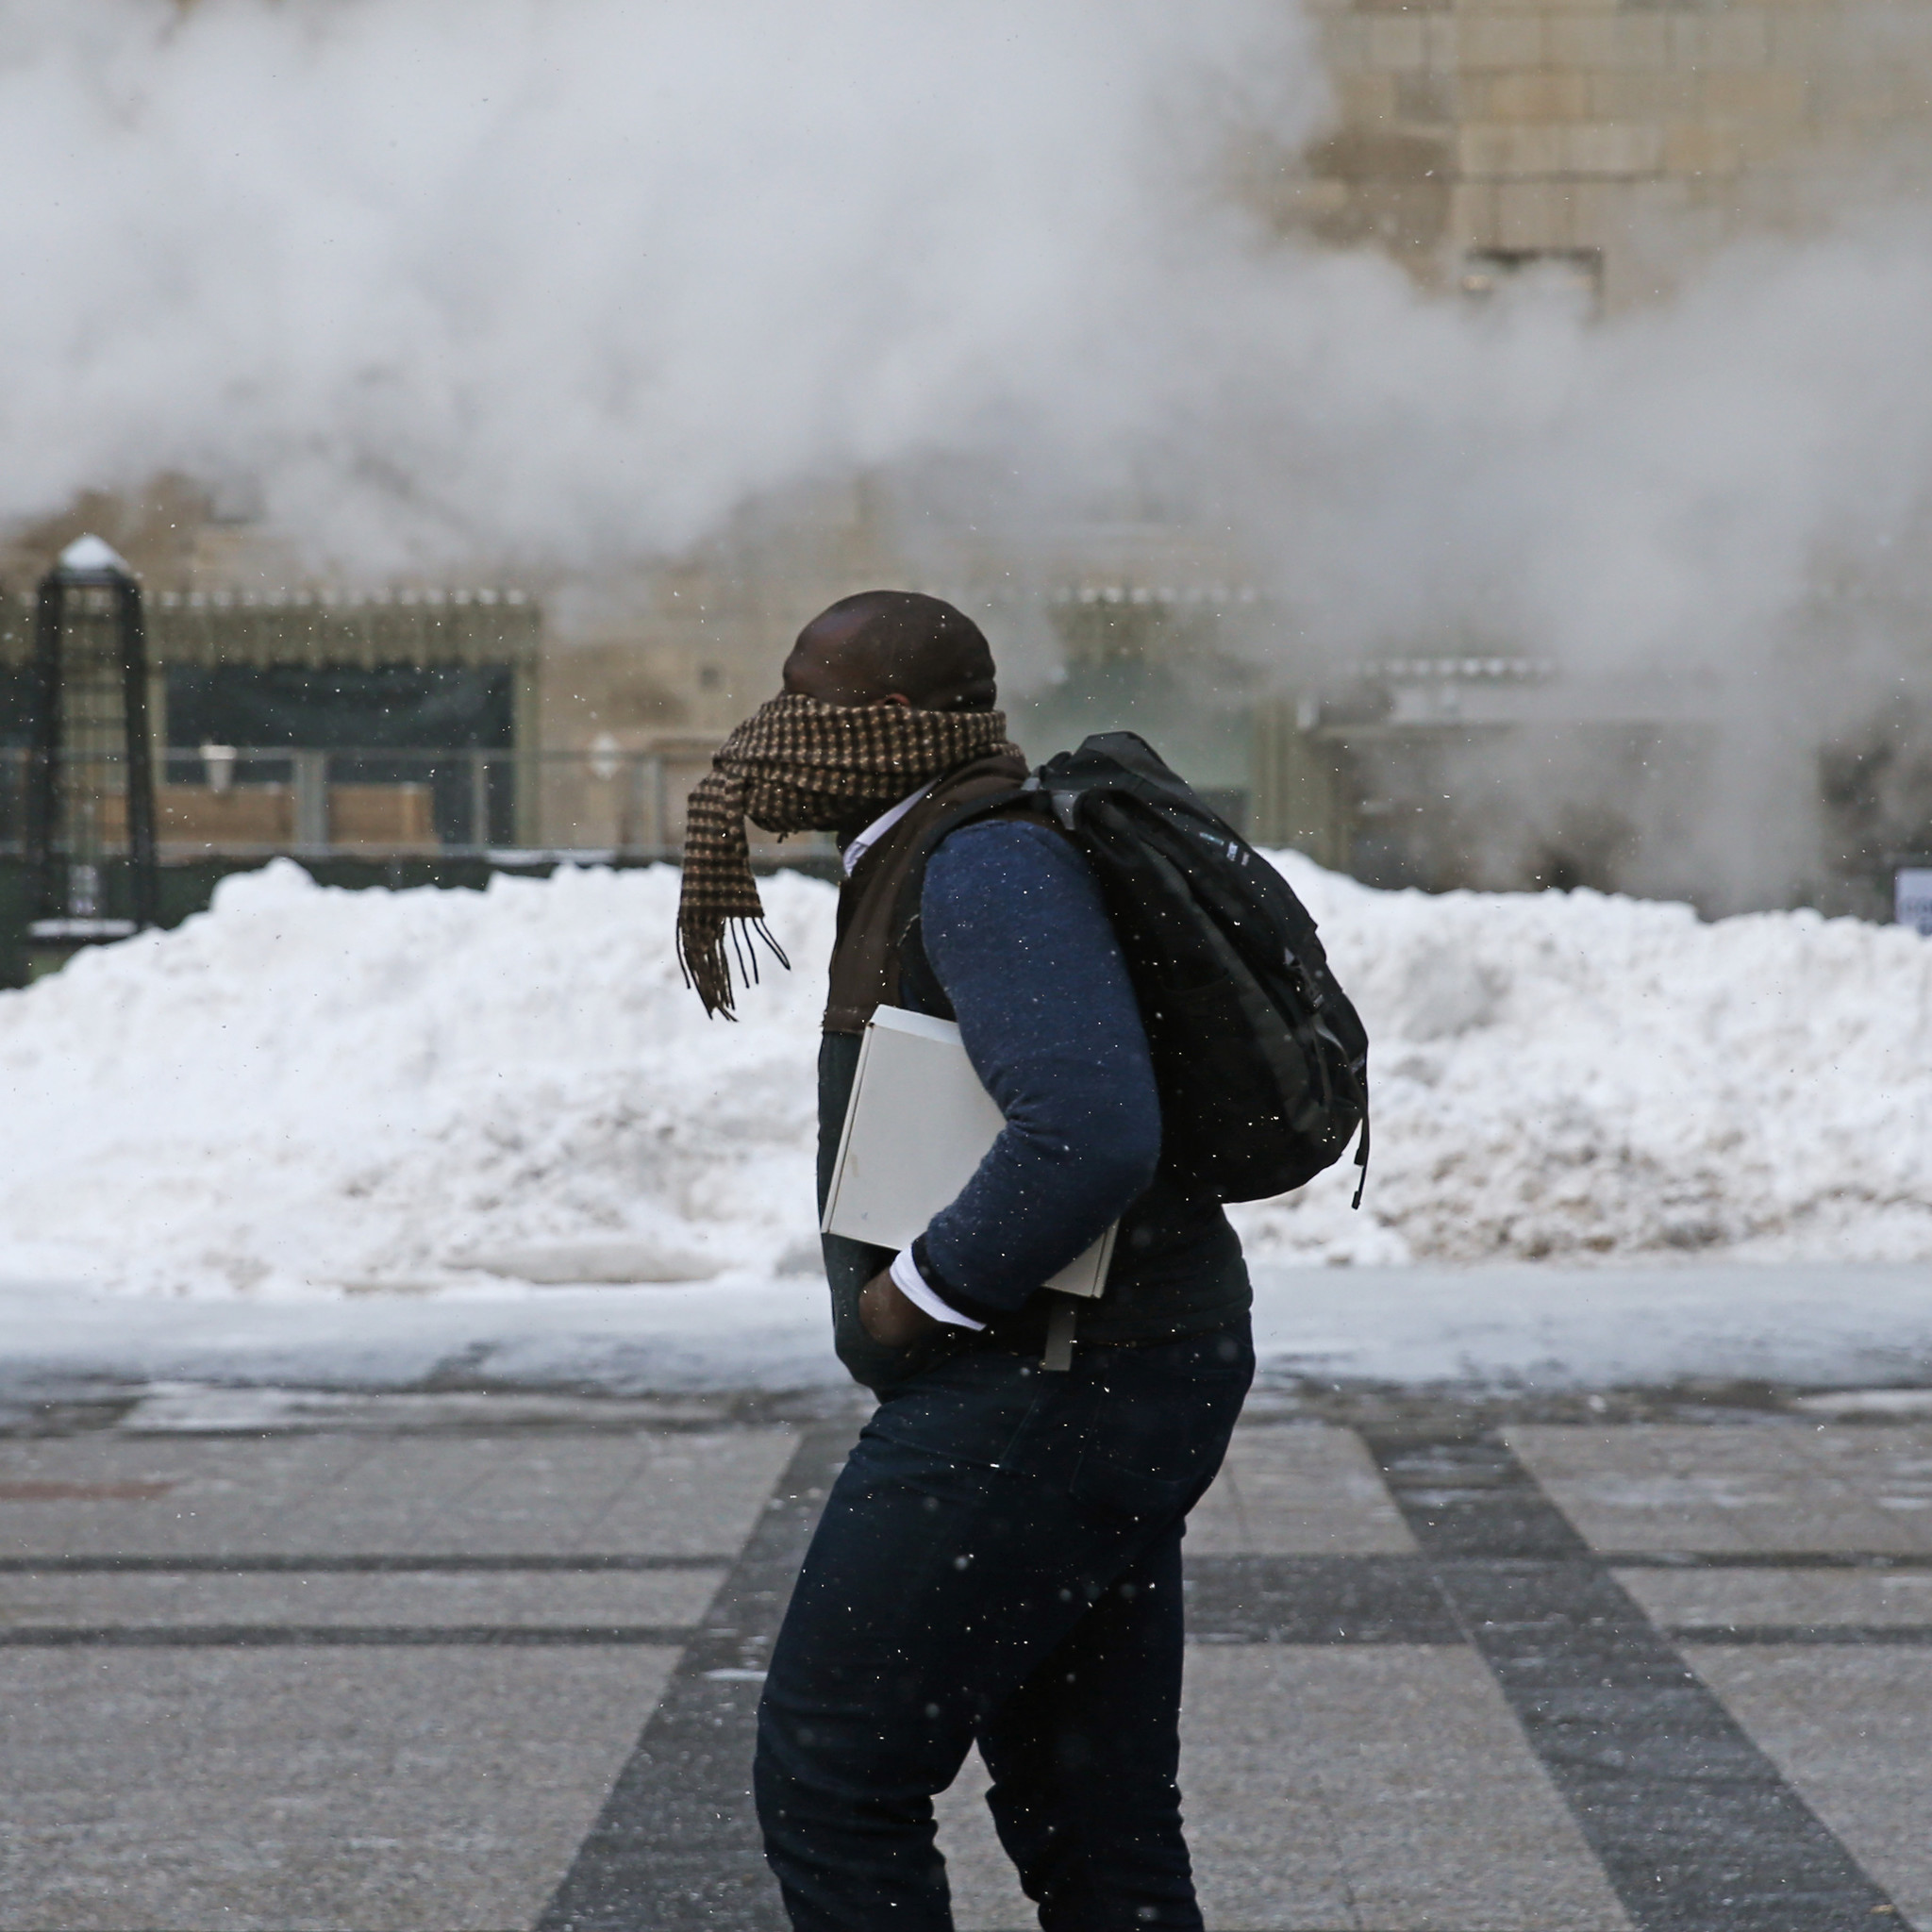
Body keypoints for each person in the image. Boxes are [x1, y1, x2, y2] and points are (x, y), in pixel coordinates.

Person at [675, 590, 1254, 1932]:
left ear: (885, 725)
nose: (773, 730)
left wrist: (908, 1298)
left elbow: (1092, 1130)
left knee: (832, 1780)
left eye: (804, 698)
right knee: (1092, 1812)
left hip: (1045, 1389)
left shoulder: (982, 864)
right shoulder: (945, 845)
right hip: (1107, 1379)